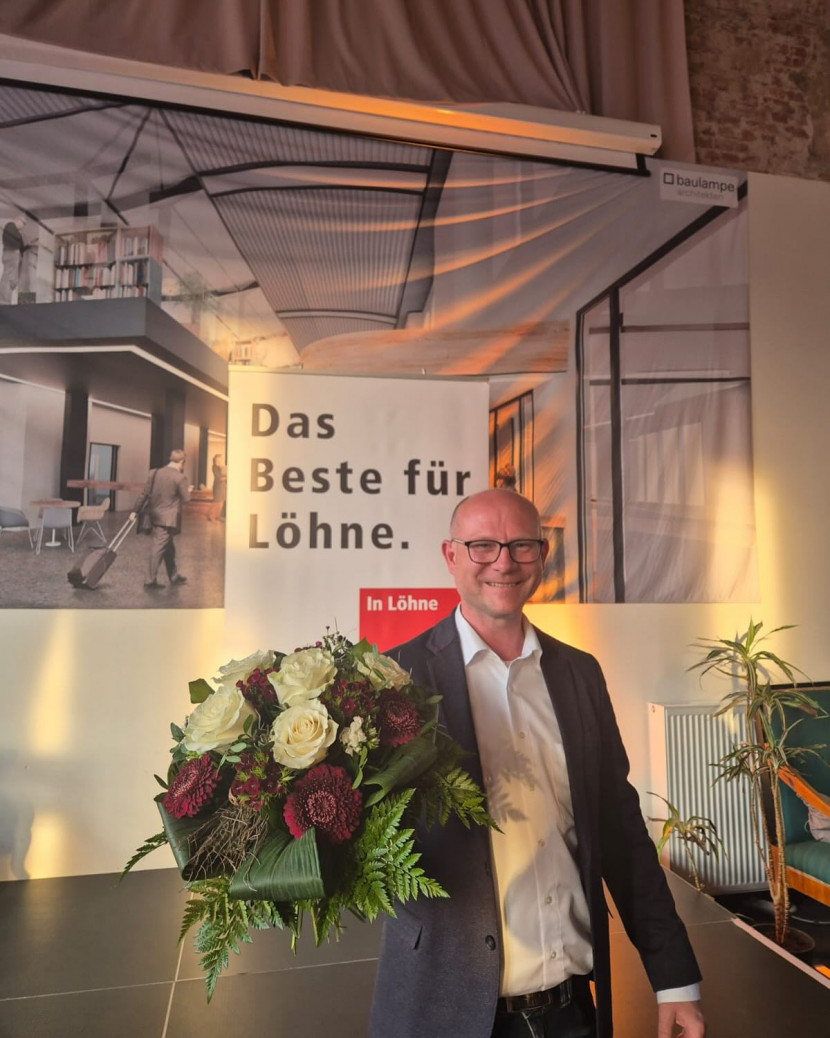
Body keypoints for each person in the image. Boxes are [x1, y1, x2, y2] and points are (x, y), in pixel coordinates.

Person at [369, 489, 705, 1038]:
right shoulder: (392, 680)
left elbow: (621, 832)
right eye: (482, 546)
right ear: (450, 556)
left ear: (542, 555)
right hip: (441, 1012)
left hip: (572, 1010)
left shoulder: (580, 674)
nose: (503, 562)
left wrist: (675, 981)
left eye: (521, 545)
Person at [130, 448, 190, 589]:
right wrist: (188, 490)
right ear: (182, 461)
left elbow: (144, 493)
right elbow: (186, 498)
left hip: (154, 515)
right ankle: (149, 580)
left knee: (169, 547)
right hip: (167, 519)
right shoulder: (180, 478)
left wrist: (134, 511)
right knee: (158, 547)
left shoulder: (154, 472)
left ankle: (174, 576)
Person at [0, 215, 25, 304]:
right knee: (9, 277)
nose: (23, 226)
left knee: (12, 279)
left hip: (11, 254)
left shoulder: (13, 229)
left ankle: (6, 299)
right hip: (11, 253)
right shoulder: (10, 226)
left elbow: (20, 245)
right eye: (23, 223)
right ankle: (4, 300)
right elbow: (16, 241)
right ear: (17, 220)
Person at [207, 454, 227, 522]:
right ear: (215, 460)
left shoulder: (221, 467)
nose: (219, 461)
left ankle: (218, 516)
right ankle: (211, 516)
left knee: (221, 502)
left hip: (223, 486)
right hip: (218, 486)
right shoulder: (214, 467)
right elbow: (218, 477)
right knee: (216, 501)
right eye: (218, 460)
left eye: (220, 460)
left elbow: (223, 476)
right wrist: (226, 477)